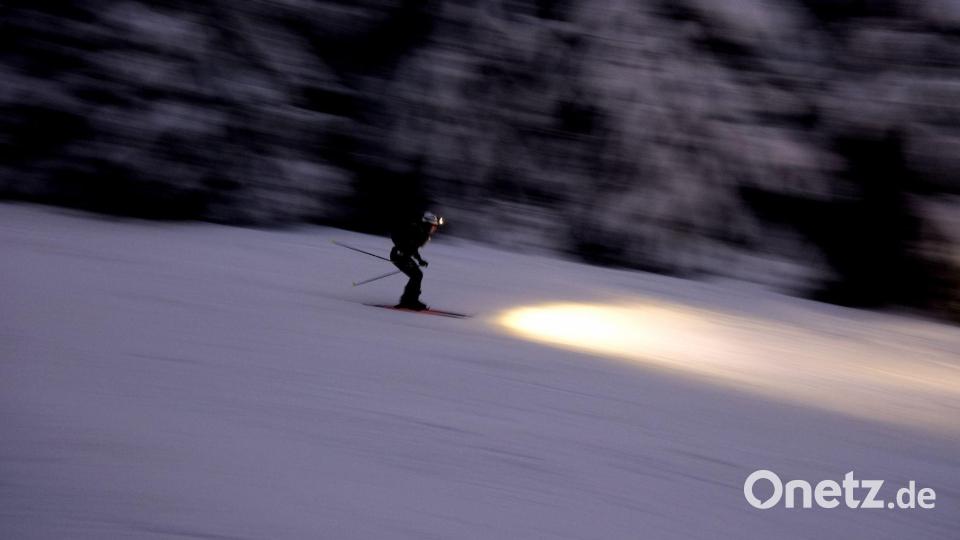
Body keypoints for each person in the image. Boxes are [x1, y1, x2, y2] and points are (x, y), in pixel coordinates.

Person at [390, 211, 443, 310]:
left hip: (403, 256)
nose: (434, 229)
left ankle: (408, 301)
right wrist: (401, 248)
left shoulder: (422, 232)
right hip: (398, 256)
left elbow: (413, 248)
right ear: (427, 225)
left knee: (417, 275)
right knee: (416, 275)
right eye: (433, 226)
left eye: (435, 227)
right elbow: (396, 235)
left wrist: (419, 260)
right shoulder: (415, 229)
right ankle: (409, 301)